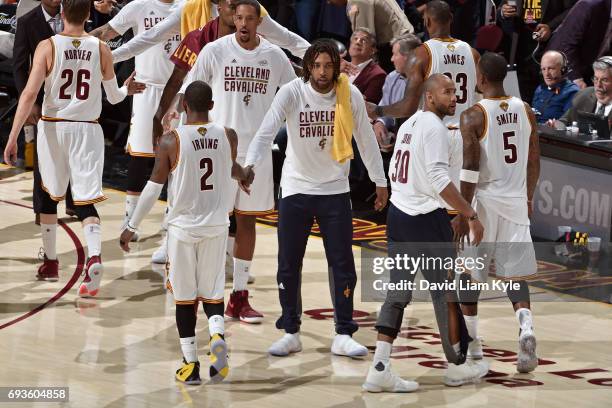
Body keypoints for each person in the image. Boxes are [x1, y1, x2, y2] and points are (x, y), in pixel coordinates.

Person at [244, 39, 388, 358]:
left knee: (342, 264)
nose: (323, 72)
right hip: (296, 189)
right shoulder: (292, 92)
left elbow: (365, 138)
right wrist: (249, 165)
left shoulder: (348, 93)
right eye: (317, 65)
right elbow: (265, 132)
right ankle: (291, 331)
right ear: (308, 66)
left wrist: (380, 180)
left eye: (328, 66)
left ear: (337, 67)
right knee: (288, 264)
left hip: (335, 191)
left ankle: (344, 331)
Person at [3, 0, 144, 294]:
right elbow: (114, 98)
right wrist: (126, 89)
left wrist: (13, 135)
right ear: (88, 15)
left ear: (63, 13)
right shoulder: (101, 48)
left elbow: (29, 94)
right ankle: (94, 255)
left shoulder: (47, 46)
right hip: (88, 130)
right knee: (84, 198)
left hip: (53, 127)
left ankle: (51, 261)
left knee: (48, 193)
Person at [119, 80, 250, 386]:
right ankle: (217, 333)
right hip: (217, 227)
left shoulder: (171, 141)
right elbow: (230, 167)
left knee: (184, 298)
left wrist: (131, 226)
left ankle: (190, 365)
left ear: (183, 108)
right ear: (212, 106)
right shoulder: (227, 135)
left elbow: (153, 187)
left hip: (183, 229)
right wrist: (245, 175)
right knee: (213, 293)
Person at [363, 74, 488, 393]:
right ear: (430, 97)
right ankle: (457, 366)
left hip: (399, 215)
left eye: (455, 91)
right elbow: (437, 178)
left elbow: (394, 170)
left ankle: (379, 367)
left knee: (398, 292)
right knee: (444, 292)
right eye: (447, 92)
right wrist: (468, 212)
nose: (455, 96)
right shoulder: (435, 128)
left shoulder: (410, 124)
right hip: (425, 219)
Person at [180, 0, 297, 323]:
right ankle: (204, 288)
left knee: (247, 222)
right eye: (239, 17)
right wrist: (182, 137)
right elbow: (189, 94)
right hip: (217, 150)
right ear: (231, 17)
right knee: (212, 223)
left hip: (257, 152)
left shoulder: (275, 57)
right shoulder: (214, 51)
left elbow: (294, 96)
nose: (243, 23)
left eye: (250, 19)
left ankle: (239, 297)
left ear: (259, 21)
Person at [456, 52, 541, 372]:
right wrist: (528, 196)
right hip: (516, 201)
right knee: (514, 276)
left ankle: (473, 346)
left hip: (484, 205)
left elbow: (469, 170)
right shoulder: (526, 110)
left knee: (468, 274)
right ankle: (527, 327)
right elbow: (534, 160)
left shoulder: (473, 115)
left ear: (481, 79)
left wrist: (464, 212)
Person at [89, 0, 182, 245]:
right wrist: (73, 43)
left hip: (179, 92)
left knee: (179, 161)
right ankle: (129, 218)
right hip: (146, 88)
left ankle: (170, 221)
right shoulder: (140, 5)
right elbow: (107, 32)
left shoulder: (190, 6)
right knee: (140, 157)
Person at [13, 0, 76, 225]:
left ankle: (73, 202)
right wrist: (27, 101)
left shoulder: (73, 15)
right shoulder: (26, 22)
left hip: (71, 96)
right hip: (41, 97)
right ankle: (42, 209)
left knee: (72, 150)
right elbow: (19, 66)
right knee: (44, 155)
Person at [110, 0, 311, 64]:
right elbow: (149, 37)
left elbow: (287, 39)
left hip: (238, 83)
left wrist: (322, 58)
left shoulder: (249, 8)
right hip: (199, 89)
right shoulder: (189, 9)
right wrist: (110, 58)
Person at [497, 0, 576, 102]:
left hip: (549, 50)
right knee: (527, 103)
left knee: (551, 103)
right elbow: (500, 9)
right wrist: (503, 12)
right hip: (521, 52)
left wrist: (551, 27)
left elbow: (573, 9)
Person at [326, 0, 414, 72]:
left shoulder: (359, 2)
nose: (328, 2)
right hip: (403, 42)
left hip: (396, 48)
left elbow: (363, 47)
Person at [546, 0, 611, 89]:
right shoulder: (588, 6)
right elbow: (563, 44)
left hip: (593, 77)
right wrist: (575, 78)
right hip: (563, 73)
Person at [373, 33, 421, 152]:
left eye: (395, 54)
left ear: (409, 56)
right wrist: (379, 123)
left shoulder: (429, 82)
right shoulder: (392, 77)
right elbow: (384, 109)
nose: (391, 59)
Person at [551, 57, 612, 127]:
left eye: (604, 80)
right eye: (596, 78)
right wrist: (555, 125)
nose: (598, 85)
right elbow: (564, 121)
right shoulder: (584, 95)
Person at [532, 50, 579, 123]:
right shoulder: (540, 89)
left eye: (551, 68)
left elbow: (567, 123)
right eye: (543, 69)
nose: (546, 74)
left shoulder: (572, 92)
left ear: (563, 69)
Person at [347, 27, 387, 103]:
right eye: (355, 39)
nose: (357, 42)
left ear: (372, 50)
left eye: (363, 40)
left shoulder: (378, 75)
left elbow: (367, 107)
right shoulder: (339, 67)